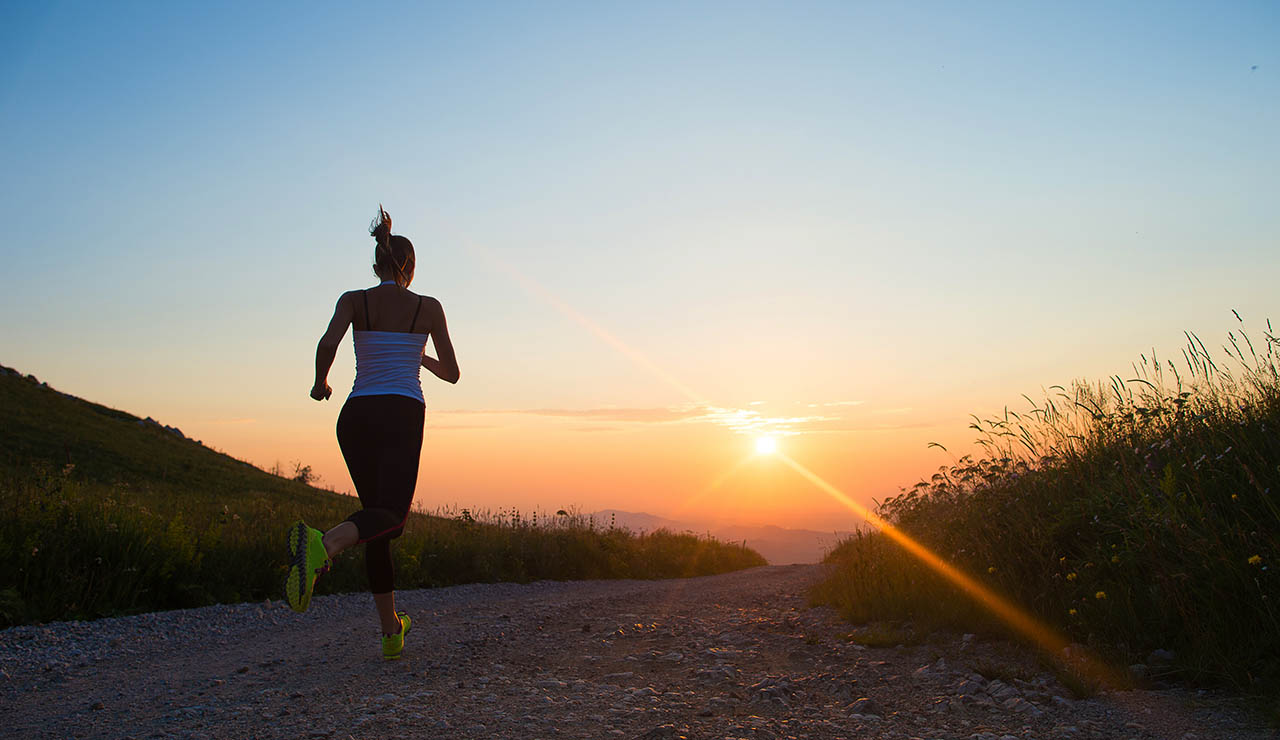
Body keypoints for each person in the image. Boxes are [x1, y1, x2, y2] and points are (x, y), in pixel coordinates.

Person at [287, 205, 459, 660]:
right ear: (411, 267)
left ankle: (390, 632)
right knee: (394, 518)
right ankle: (321, 546)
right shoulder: (428, 308)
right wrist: (417, 357)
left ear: (376, 264)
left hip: (356, 416)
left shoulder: (353, 300)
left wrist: (321, 381)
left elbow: (328, 343)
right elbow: (453, 373)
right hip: (401, 413)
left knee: (377, 521)